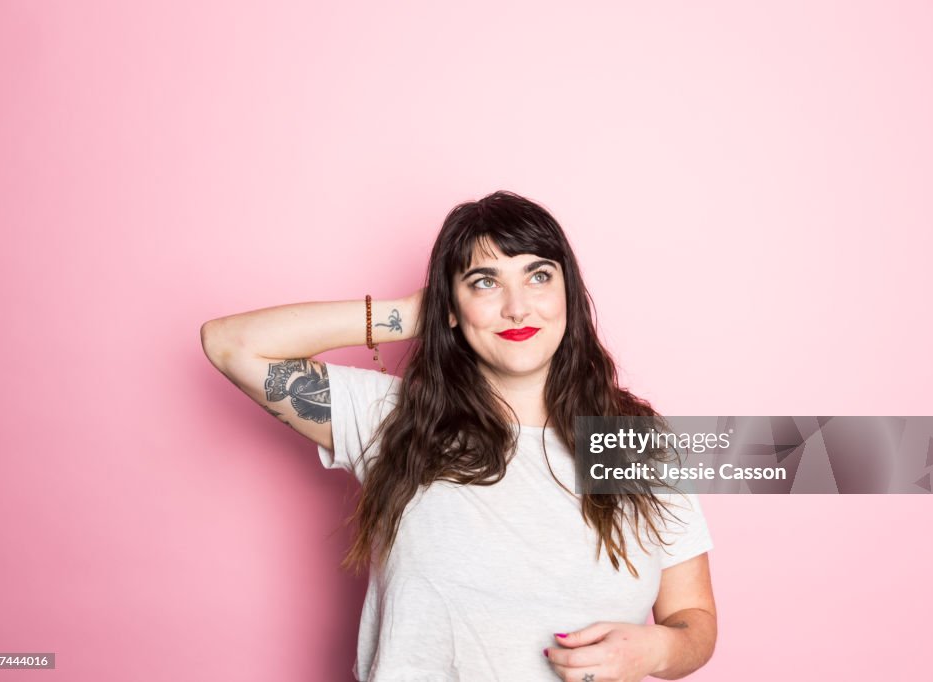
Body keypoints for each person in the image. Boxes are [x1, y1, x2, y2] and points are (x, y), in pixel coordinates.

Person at [200, 190, 717, 681]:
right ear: (451, 304)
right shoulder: (393, 417)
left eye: (538, 276)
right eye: (484, 282)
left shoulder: (637, 445)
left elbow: (693, 617)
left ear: (569, 295)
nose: (517, 307)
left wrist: (656, 648)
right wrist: (407, 315)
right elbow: (229, 344)